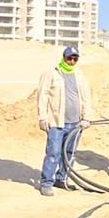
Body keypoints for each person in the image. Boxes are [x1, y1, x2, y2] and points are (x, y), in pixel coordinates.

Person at [36, 46, 92, 197]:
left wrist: (86, 117)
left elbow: (86, 97)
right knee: (53, 153)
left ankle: (61, 179)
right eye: (69, 58)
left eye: (75, 58)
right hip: (57, 122)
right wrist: (42, 117)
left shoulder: (79, 75)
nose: (72, 61)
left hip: (76, 123)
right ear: (64, 57)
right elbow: (42, 96)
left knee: (69, 153)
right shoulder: (52, 73)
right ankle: (46, 182)